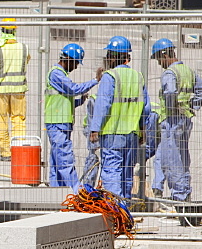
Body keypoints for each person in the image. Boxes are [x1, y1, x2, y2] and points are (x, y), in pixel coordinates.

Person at [88, 36, 155, 205]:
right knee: (126, 173)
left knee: (111, 171)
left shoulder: (110, 77)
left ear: (111, 56)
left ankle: (115, 211)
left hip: (113, 133)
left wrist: (95, 128)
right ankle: (124, 211)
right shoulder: (137, 77)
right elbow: (146, 108)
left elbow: (103, 105)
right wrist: (141, 129)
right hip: (132, 133)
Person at [149, 38, 202, 201]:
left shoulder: (170, 73)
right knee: (179, 157)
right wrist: (190, 105)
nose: (160, 63)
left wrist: (173, 107)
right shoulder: (187, 70)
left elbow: (170, 93)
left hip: (172, 121)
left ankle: (180, 196)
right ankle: (176, 191)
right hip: (185, 119)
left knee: (172, 160)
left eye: (159, 59)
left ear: (164, 54)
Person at [44, 43, 100, 190]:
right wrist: (95, 80)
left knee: (57, 162)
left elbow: (61, 100)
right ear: (68, 59)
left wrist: (78, 102)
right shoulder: (56, 73)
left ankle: (57, 193)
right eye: (75, 63)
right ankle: (76, 193)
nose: (75, 67)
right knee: (65, 159)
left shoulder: (60, 75)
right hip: (57, 123)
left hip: (60, 122)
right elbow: (73, 88)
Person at [0, 18, 30, 160]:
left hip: (1, 91)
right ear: (15, 31)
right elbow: (27, 60)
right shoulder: (23, 48)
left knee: (1, 120)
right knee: (18, 119)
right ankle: (17, 149)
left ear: (2, 31)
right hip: (19, 90)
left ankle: (5, 152)